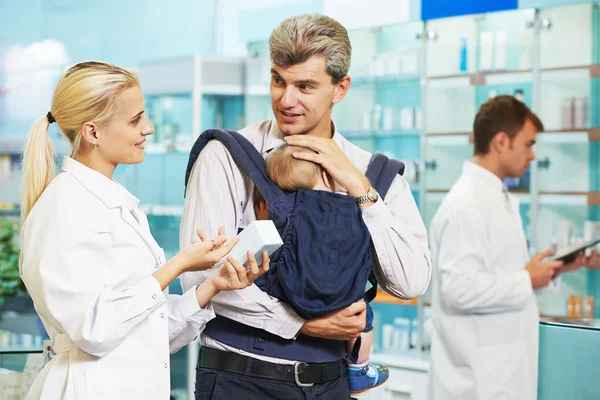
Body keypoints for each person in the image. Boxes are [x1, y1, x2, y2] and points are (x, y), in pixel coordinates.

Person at [181, 13, 431, 399]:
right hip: (240, 381)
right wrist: (300, 323)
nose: (286, 99)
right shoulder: (227, 157)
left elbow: (410, 281)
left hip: (330, 385)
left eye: (305, 86)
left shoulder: (373, 175)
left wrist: (359, 188)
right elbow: (198, 280)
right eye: (278, 80)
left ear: (340, 88)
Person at [18, 61, 269, 400]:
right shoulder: (64, 206)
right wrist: (177, 265)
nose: (148, 128)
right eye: (135, 120)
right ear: (93, 132)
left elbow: (149, 333)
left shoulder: (116, 206)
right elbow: (93, 331)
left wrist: (213, 286)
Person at [427, 95, 599, 400]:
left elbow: (500, 276)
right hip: (475, 384)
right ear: (502, 141)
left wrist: (551, 270)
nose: (533, 156)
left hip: (499, 377)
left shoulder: (495, 196)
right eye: (529, 144)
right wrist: (526, 278)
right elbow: (458, 288)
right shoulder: (467, 204)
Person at [254, 144, 390, 395]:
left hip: (290, 295)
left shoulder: (281, 208)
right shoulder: (350, 208)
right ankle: (359, 368)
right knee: (363, 318)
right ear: (327, 176)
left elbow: (266, 240)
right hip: (343, 297)